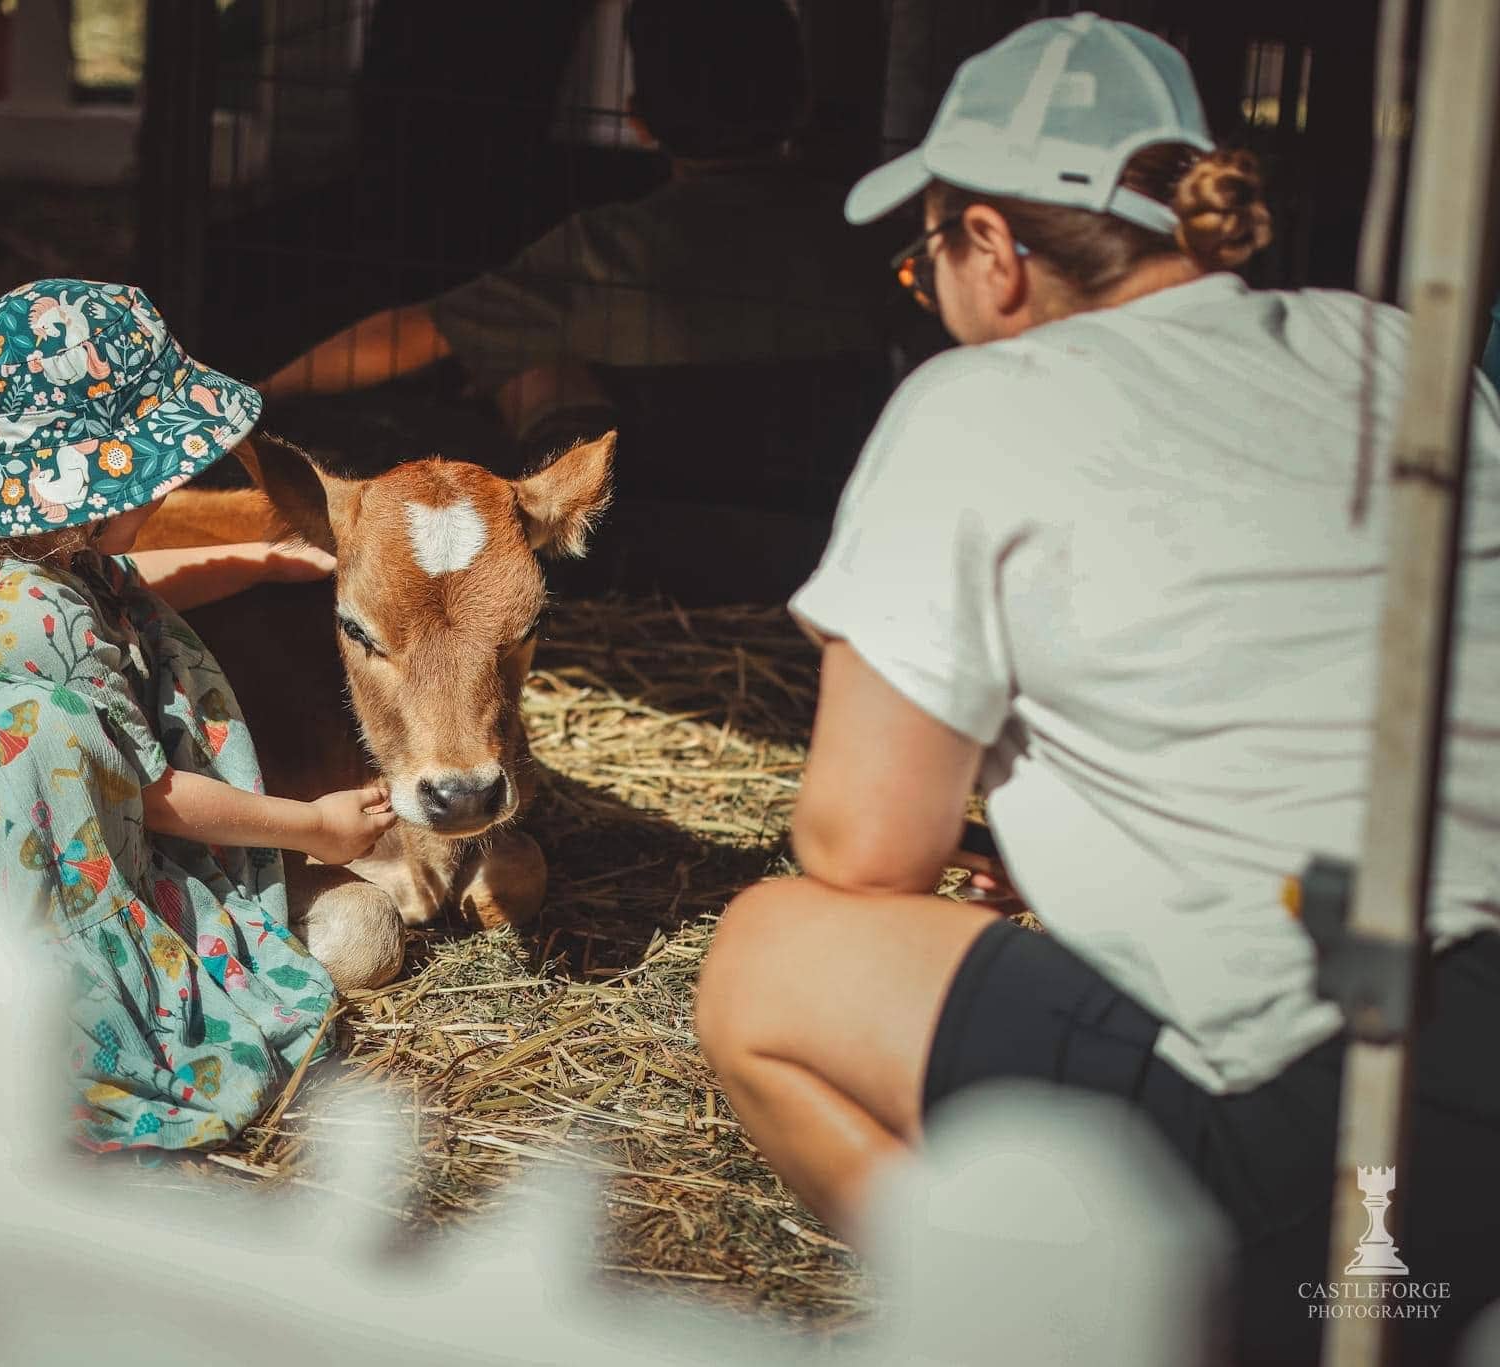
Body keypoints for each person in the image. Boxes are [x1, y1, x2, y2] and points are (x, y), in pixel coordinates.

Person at [692, 15, 1500, 1364]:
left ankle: (1065, 1325)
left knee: (770, 957)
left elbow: (861, 843)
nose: (930, 289)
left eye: (924, 259)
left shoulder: (973, 403)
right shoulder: (1403, 356)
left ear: (993, 251)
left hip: (1352, 1118)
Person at [0, 279, 397, 1153]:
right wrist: (311, 827)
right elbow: (156, 795)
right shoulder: (44, 620)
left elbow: (132, 591)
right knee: (244, 1000)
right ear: (81, 480)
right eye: (152, 474)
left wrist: (254, 558)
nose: (167, 492)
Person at [256, 0, 886, 447]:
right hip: (822, 475)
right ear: (801, 103)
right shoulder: (868, 231)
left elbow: (414, 334)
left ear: (637, 118)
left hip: (661, 493)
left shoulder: (604, 250)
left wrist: (262, 394)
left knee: (518, 361)